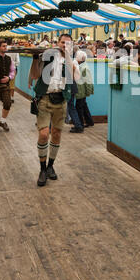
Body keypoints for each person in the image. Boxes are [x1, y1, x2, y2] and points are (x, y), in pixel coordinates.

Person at [29, 34, 78, 187]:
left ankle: (50, 166)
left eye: (68, 43)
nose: (64, 45)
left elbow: (75, 78)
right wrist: (35, 58)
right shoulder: (47, 56)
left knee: (56, 134)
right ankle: (42, 169)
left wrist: (68, 57)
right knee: (44, 134)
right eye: (63, 42)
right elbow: (35, 75)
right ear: (57, 43)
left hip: (61, 100)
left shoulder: (72, 60)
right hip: (44, 99)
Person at [75, 50, 94, 128]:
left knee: (79, 107)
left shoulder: (84, 68)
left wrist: (89, 91)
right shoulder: (81, 66)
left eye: (77, 56)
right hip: (81, 90)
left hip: (82, 90)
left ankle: (81, 123)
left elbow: (88, 80)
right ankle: (89, 121)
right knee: (83, 105)